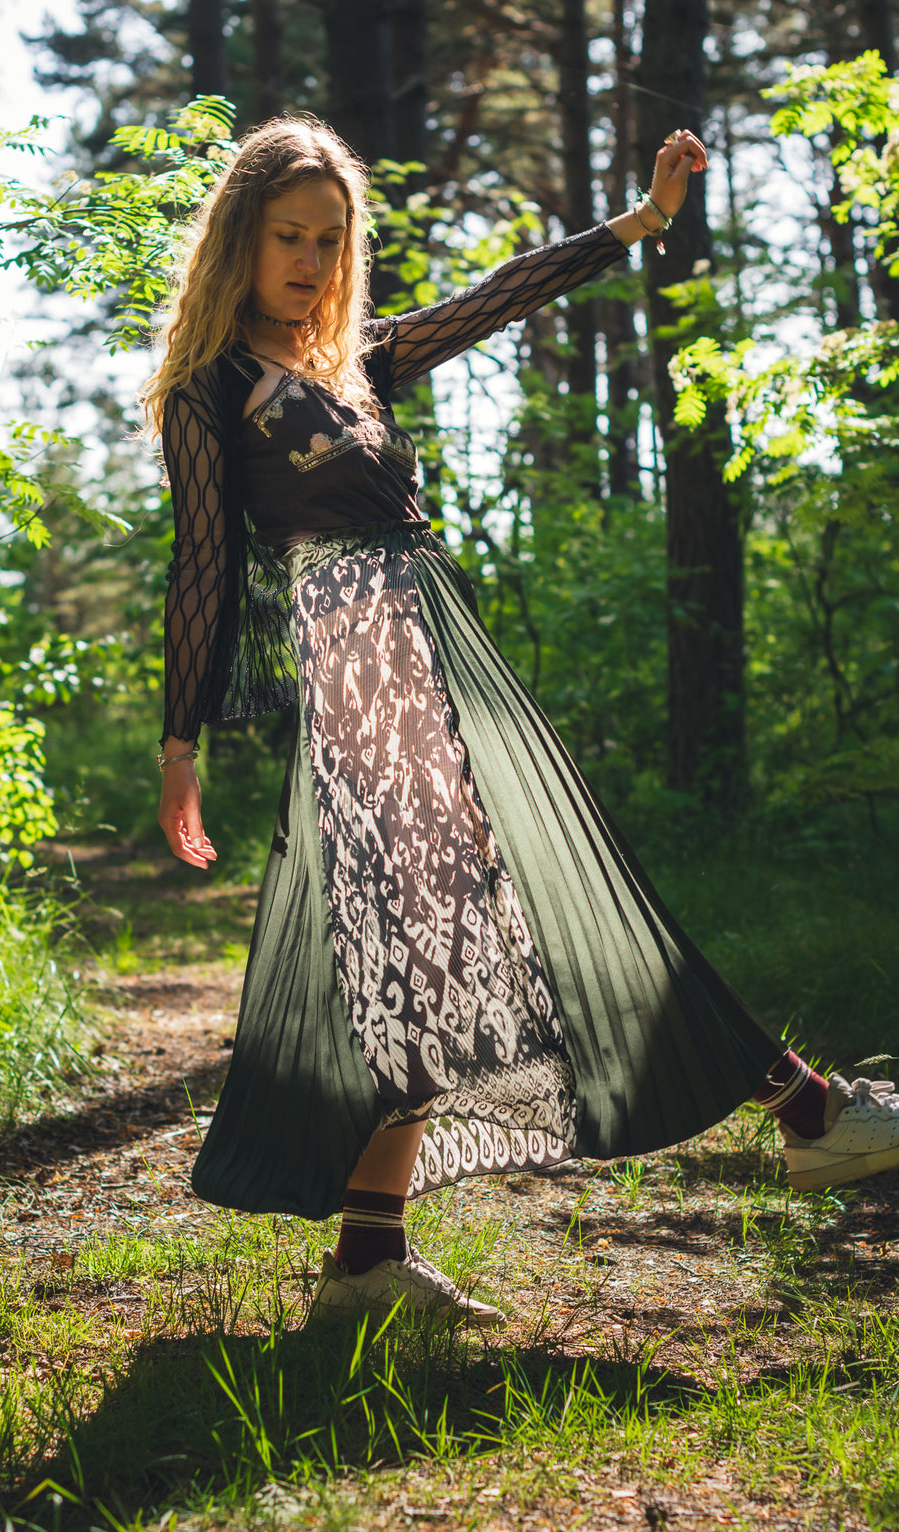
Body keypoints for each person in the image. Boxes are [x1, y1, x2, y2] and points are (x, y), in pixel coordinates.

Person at [141, 117, 899, 1329]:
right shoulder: (210, 391)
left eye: (330, 241)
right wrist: (180, 749)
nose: (310, 261)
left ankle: (367, 1262)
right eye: (287, 236)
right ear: (238, 238)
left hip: (441, 654)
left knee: (450, 950)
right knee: (525, 913)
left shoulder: (358, 361)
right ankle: (801, 1108)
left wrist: (640, 223)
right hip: (363, 679)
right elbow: (202, 572)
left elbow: (496, 297)